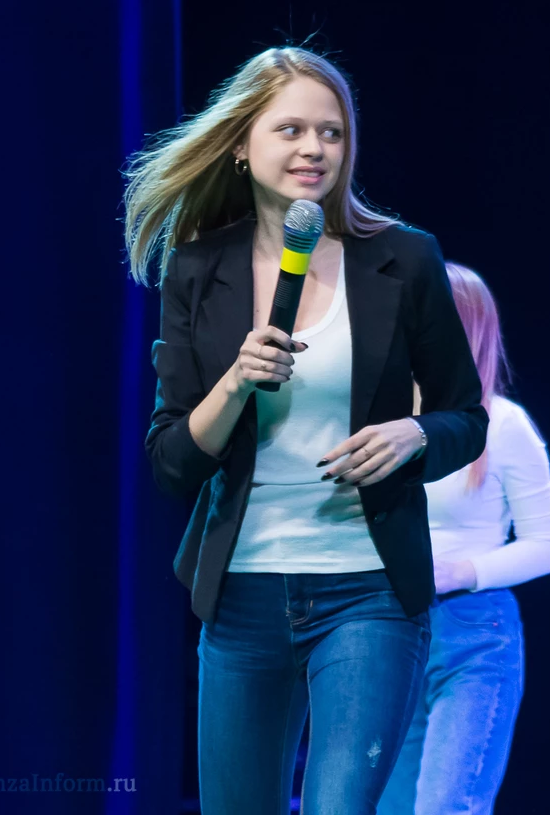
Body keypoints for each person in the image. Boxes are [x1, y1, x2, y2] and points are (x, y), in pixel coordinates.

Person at [125, 47, 489, 814]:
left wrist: (414, 436)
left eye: (331, 132)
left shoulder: (404, 258)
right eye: (290, 130)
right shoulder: (197, 269)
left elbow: (465, 417)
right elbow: (170, 462)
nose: (314, 149)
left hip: (368, 588)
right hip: (243, 593)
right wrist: (234, 382)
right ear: (241, 144)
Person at [379, 263, 550, 815]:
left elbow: (545, 545)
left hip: (473, 632)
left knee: (446, 806)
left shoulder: (504, 424)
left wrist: (461, 571)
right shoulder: (383, 417)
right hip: (388, 629)